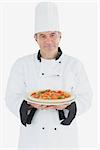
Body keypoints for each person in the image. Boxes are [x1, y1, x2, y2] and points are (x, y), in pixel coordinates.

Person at [5, 2, 92, 150]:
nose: (48, 41)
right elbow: (11, 96)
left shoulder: (75, 64)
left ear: (60, 36)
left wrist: (70, 106)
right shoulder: (21, 64)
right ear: (35, 38)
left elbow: (86, 96)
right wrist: (28, 104)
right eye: (43, 36)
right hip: (33, 137)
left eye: (52, 35)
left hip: (64, 137)